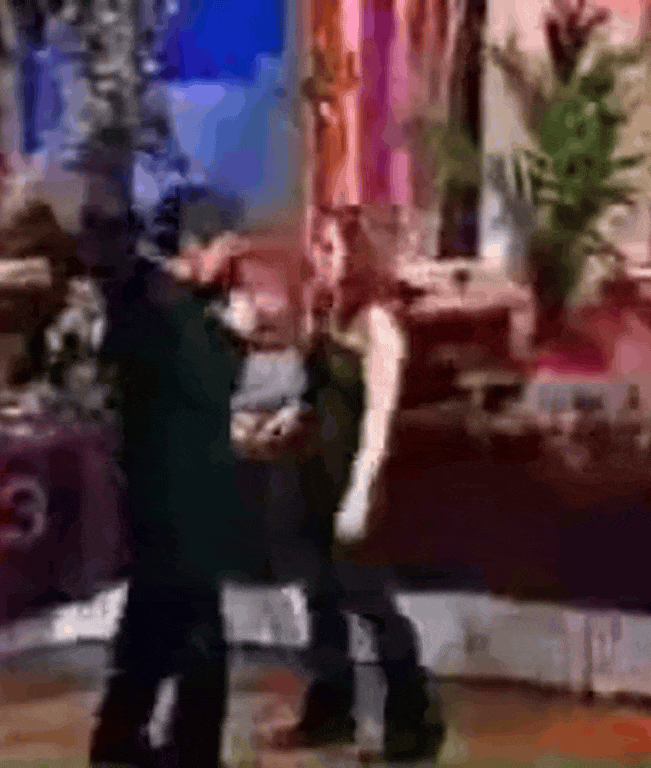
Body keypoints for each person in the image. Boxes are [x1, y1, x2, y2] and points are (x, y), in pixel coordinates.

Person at [253, 205, 445, 761]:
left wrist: (360, 494)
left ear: (356, 257)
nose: (321, 258)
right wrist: (287, 417)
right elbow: (315, 392)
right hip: (312, 473)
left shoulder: (378, 325)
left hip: (354, 479)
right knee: (320, 600)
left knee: (370, 602)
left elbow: (378, 421)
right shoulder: (328, 313)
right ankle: (329, 714)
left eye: (331, 248)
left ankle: (415, 727)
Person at [87, 218, 251, 768]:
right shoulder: (169, 308)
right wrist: (236, 335)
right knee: (196, 630)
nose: (229, 262)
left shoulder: (145, 296)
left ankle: (120, 742)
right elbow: (212, 384)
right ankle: (187, 750)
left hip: (157, 495)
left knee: (151, 625)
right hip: (183, 500)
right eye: (224, 248)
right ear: (196, 248)